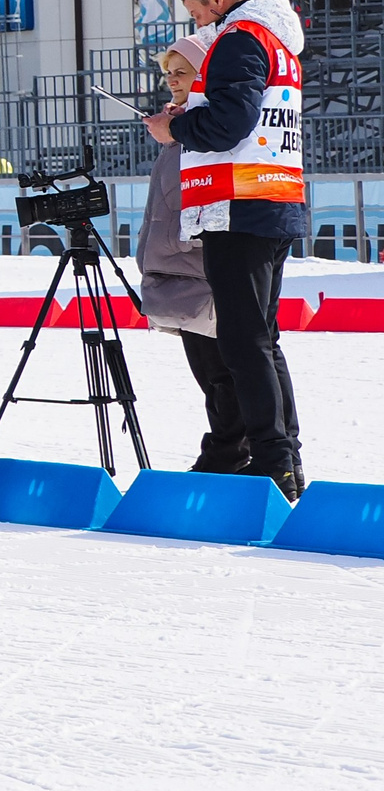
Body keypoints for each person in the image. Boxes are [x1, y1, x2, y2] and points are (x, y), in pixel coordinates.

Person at [146, 0, 306, 499]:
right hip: (272, 198)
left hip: (237, 205)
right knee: (263, 339)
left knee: (242, 342)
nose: (195, 23)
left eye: (195, 10)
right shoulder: (279, 42)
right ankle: (285, 458)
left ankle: (271, 463)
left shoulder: (238, 38)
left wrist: (176, 127)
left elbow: (228, 122)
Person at [137, 35, 249, 475]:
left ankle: (229, 455)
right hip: (178, 274)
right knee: (210, 376)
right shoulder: (182, 127)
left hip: (203, 272)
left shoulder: (207, 127)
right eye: (169, 73)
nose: (172, 81)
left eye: (182, 72)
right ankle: (225, 452)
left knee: (224, 375)